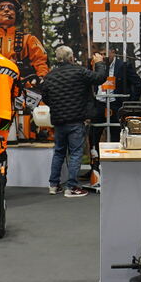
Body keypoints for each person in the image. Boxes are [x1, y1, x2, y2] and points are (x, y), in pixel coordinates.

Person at [40, 45, 108, 197]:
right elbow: (99, 78)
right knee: (76, 153)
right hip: (76, 119)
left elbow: (45, 97)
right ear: (71, 58)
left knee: (59, 152)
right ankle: (71, 187)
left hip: (58, 120)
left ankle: (53, 185)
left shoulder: (50, 76)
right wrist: (99, 63)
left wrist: (58, 107)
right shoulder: (79, 71)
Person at [91, 43, 141, 143]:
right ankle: (95, 152)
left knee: (116, 135)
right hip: (99, 104)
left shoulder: (123, 66)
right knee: (94, 134)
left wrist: (130, 103)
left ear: (113, 52)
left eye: (105, 54)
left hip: (116, 105)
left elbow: (138, 83)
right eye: (101, 54)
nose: (103, 57)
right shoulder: (97, 65)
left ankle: (115, 153)